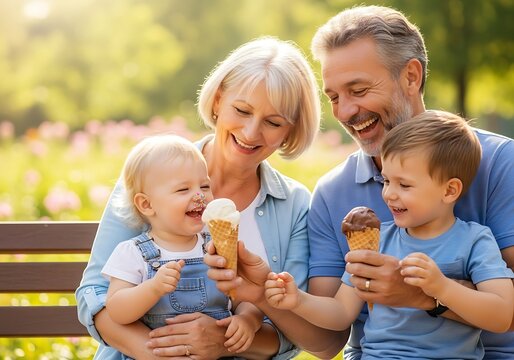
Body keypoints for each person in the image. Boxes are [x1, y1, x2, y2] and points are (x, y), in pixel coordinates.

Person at [204, 5, 514, 360]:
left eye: (359, 89)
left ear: (411, 76)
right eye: (334, 97)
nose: (346, 111)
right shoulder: (335, 194)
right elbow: (328, 335)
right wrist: (261, 292)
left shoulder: (500, 164)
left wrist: (421, 295)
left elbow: (505, 309)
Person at [75, 36, 321, 359]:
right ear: (218, 101)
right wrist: (161, 354)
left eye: (273, 122)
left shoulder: (294, 206)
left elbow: (292, 330)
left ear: (290, 129)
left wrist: (224, 341)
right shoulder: (151, 175)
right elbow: (96, 295)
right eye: (242, 110)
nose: (250, 133)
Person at [264, 110, 514, 359]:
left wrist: (441, 288)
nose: (389, 194)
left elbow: (502, 315)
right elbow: (341, 312)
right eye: (386, 181)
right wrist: (298, 300)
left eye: (404, 185)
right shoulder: (377, 241)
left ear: (449, 191)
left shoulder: (475, 241)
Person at [101, 134, 263, 356]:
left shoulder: (216, 250)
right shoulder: (133, 253)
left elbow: (243, 297)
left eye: (205, 186)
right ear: (146, 204)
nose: (199, 196)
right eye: (183, 190)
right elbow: (116, 310)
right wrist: (153, 288)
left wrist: (247, 319)